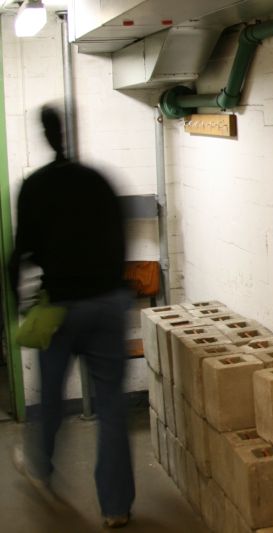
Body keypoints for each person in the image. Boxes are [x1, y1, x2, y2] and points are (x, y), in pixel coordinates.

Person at [9, 105, 134, 529]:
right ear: (69, 132)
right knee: (114, 407)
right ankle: (116, 507)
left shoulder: (35, 187)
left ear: (44, 136)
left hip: (59, 307)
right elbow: (121, 241)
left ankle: (42, 471)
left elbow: (19, 255)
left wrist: (16, 308)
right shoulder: (98, 181)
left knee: (50, 397)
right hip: (107, 304)